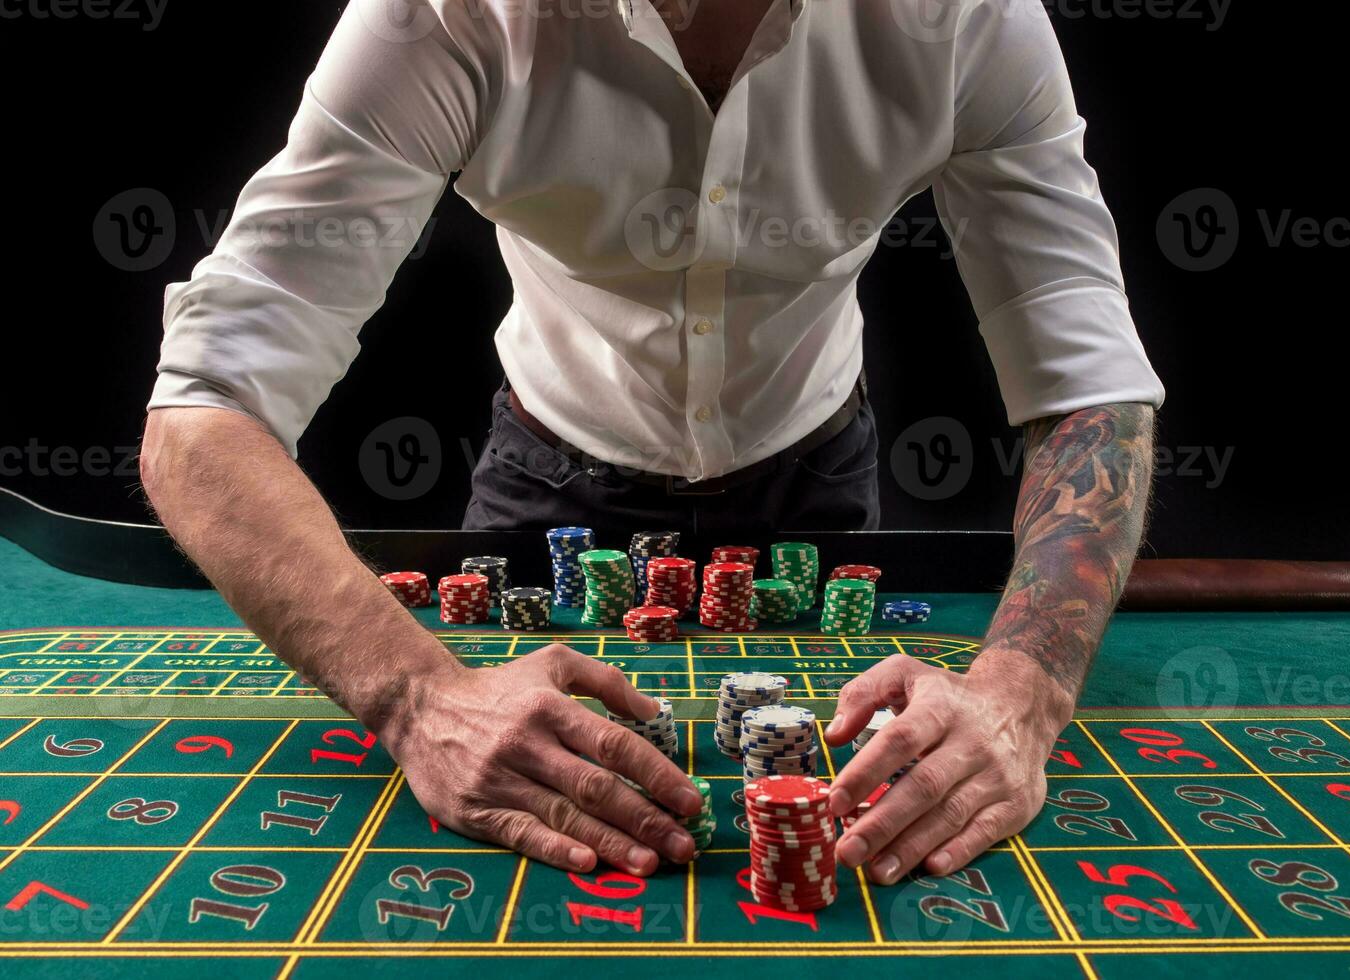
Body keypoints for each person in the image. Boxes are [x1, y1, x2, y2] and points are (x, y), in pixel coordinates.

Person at [141, 0, 1163, 886]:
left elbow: (1089, 383)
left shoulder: (969, 17)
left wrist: (1022, 692)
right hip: (546, 478)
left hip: (814, 476)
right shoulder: (447, 16)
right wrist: (417, 694)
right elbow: (202, 414)